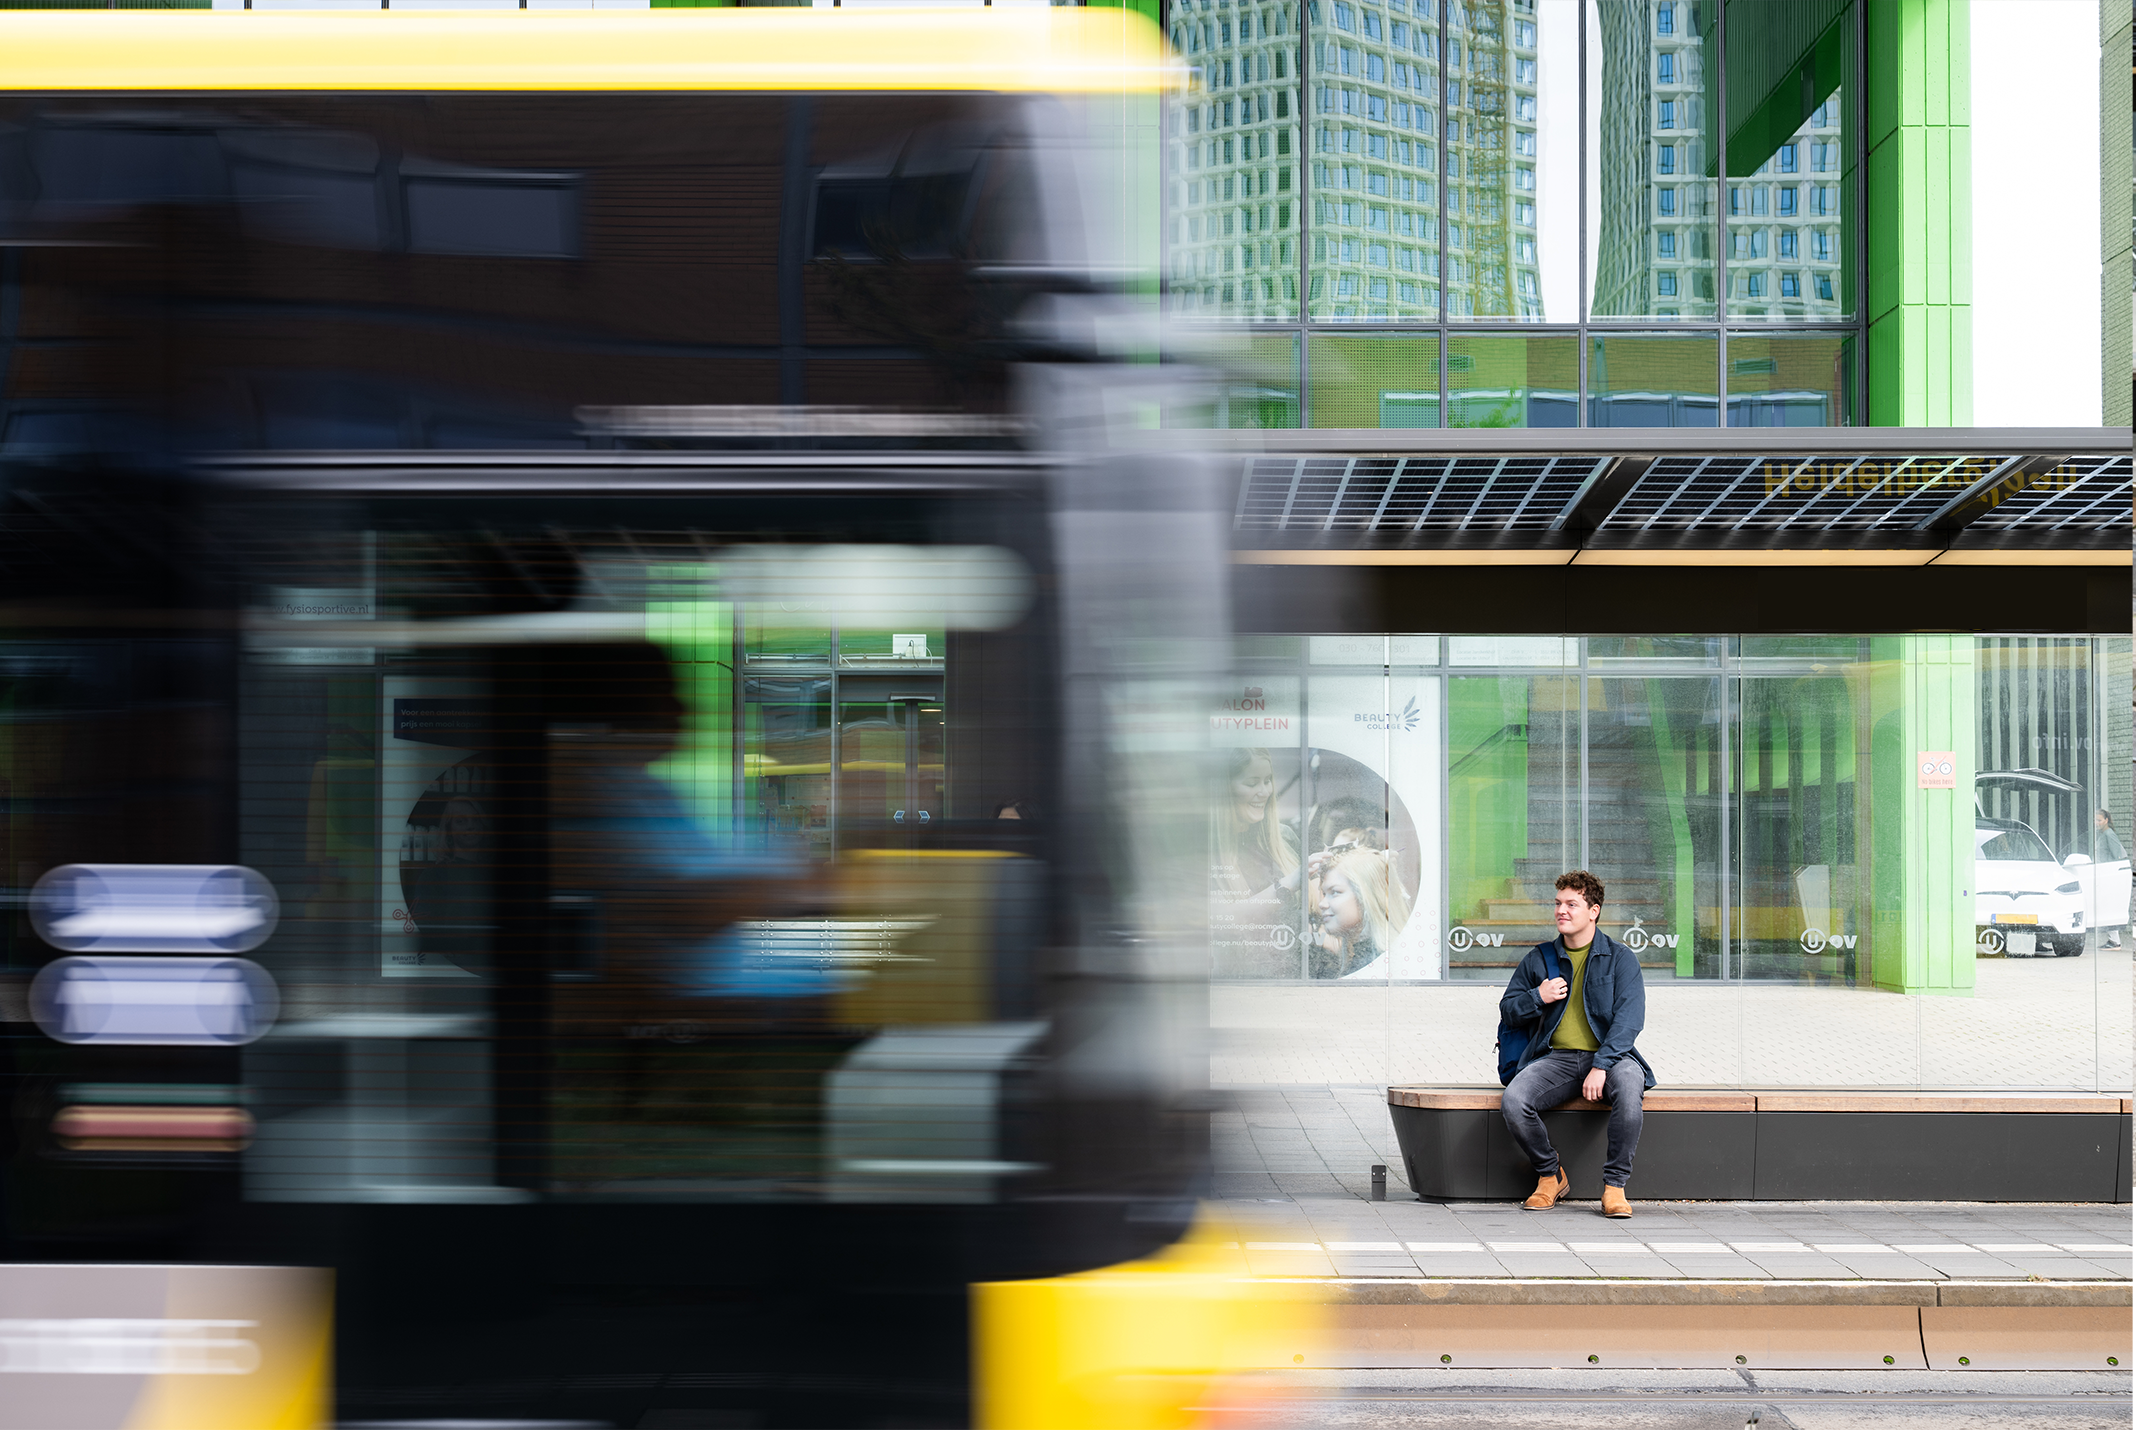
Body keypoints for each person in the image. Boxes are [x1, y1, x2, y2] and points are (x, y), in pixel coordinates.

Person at [1496, 871, 1656, 1217]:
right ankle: (1550, 1175)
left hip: (1610, 1058)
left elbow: (1629, 1021)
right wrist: (1537, 997)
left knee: (1631, 1087)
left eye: (1572, 904)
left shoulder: (1619, 959)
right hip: (1556, 1059)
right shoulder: (1538, 959)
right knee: (1515, 1101)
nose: (1561, 911)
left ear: (1593, 911)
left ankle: (1615, 1187)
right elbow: (1508, 1011)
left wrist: (1602, 1065)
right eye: (1558, 903)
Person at [1210, 747, 1299, 914]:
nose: (1265, 792)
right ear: (1225, 789)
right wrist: (1290, 884)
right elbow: (1225, 921)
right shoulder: (1207, 855)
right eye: (1252, 783)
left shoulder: (1286, 837)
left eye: (1267, 781)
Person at [1312, 845, 1409, 979]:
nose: (1322, 904)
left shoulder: (1382, 963)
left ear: (1365, 897)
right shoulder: (1368, 957)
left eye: (1334, 892)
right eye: (1324, 893)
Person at [2095, 809, 2126, 949]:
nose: (2097, 823)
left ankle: (2114, 940)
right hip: (2104, 874)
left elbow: (2117, 856)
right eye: (2095, 820)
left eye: (2099, 820)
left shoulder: (2109, 834)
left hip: (2109, 875)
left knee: (2109, 906)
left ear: (2106, 820)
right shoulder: (2103, 834)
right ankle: (2113, 939)